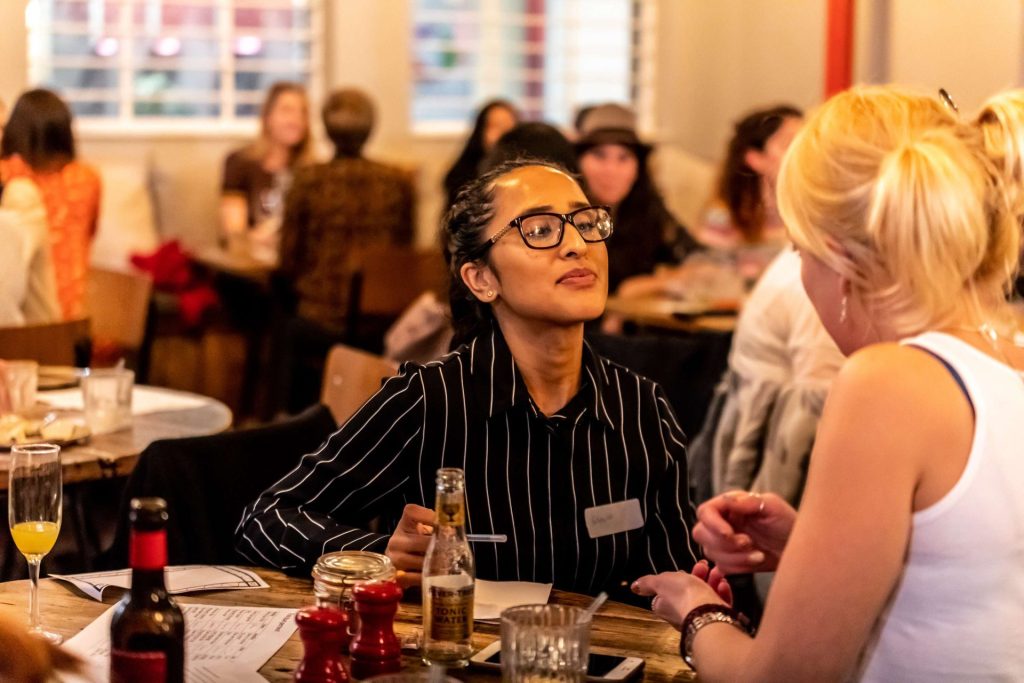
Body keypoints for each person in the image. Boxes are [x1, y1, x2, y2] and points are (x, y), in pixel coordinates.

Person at [633, 86, 1024, 681]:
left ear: (839, 264)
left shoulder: (891, 383)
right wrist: (817, 545)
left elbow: (782, 677)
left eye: (799, 251)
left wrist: (697, 613)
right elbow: (979, 577)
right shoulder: (1007, 355)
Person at [238, 159, 699, 601]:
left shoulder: (641, 410)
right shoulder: (430, 400)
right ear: (481, 279)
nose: (577, 244)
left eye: (585, 222)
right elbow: (266, 520)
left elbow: (674, 578)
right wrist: (380, 556)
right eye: (540, 230)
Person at [275, 87, 415, 411]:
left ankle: (291, 419)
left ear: (325, 129)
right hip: (381, 324)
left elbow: (288, 259)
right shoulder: (397, 181)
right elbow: (402, 250)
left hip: (320, 321)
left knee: (281, 315)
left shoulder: (309, 180)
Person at [575, 103, 700, 292]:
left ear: (638, 169)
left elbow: (699, 259)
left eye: (624, 157)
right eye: (599, 155)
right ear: (578, 163)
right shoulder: (563, 215)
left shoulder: (648, 209)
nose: (611, 170)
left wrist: (640, 287)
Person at [0, 89, 100, 320]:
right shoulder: (87, 179)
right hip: (78, 314)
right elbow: (88, 236)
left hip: (40, 327)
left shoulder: (12, 180)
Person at [220, 81, 312, 252]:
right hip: (249, 263)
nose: (296, 119)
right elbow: (234, 233)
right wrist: (257, 237)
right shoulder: (239, 163)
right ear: (268, 117)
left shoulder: (311, 171)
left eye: (303, 112)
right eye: (287, 110)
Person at [442, 100, 519, 210]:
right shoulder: (462, 177)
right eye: (495, 126)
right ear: (480, 131)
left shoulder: (525, 174)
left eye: (508, 126)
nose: (503, 133)